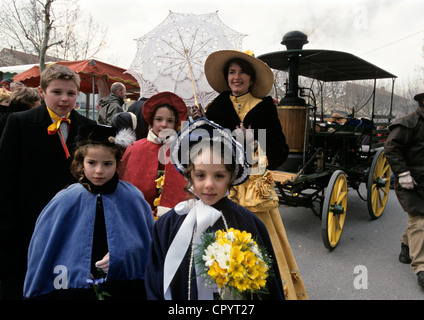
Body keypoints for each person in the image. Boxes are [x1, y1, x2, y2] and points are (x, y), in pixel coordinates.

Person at [193, 50, 308, 299]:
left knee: (257, 248)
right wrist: (200, 123)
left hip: (254, 192)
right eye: (232, 72)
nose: (236, 77)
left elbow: (280, 152)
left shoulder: (265, 107)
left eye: (242, 72)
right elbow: (205, 148)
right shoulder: (218, 105)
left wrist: (255, 143)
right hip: (223, 188)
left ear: (251, 78)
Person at [144, 118, 285, 300]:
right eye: (200, 175)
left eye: (219, 176)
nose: (209, 185)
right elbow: (155, 280)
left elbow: (268, 286)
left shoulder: (248, 224)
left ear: (231, 177)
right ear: (189, 176)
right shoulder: (168, 224)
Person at [23, 124, 154, 299]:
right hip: (73, 290)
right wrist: (76, 268)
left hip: (123, 287)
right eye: (92, 163)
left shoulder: (132, 198)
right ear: (81, 163)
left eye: (107, 164)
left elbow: (148, 245)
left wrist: (121, 254)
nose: (99, 171)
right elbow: (44, 249)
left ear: (117, 164)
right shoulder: (65, 199)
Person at [0, 64, 96, 299]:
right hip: (27, 226)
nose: (64, 99)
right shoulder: (18, 123)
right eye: (57, 92)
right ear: (42, 93)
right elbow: (5, 179)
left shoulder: (88, 128)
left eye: (71, 93)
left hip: (72, 225)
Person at [121, 92, 190, 218]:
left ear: (175, 124)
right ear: (151, 121)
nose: (163, 124)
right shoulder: (135, 148)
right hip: (138, 217)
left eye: (169, 121)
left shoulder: (182, 151)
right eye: (159, 119)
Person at [384, 92, 424, 288]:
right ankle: (421, 268)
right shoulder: (409, 122)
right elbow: (391, 148)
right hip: (410, 180)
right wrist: (402, 173)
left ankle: (405, 247)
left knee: (418, 219)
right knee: (419, 220)